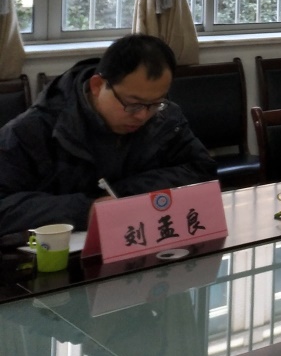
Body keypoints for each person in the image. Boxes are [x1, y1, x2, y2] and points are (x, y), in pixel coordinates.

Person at [0, 34, 216, 237]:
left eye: (155, 103)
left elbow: (202, 169)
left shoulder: (164, 117)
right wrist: (86, 210)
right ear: (97, 86)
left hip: (145, 238)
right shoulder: (32, 131)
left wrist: (120, 195)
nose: (142, 116)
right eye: (132, 104)